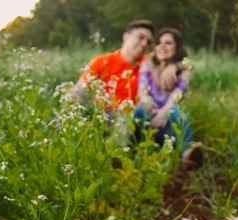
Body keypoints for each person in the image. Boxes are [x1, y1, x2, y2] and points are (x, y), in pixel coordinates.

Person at [134, 28, 202, 164]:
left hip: (168, 121)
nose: (162, 46)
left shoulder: (183, 70)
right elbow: (142, 92)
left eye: (168, 43)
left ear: (177, 48)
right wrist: (150, 107)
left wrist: (163, 113)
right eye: (159, 43)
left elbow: (177, 95)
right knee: (139, 111)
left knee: (178, 114)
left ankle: (187, 154)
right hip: (149, 116)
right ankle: (132, 149)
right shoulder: (148, 64)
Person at [72, 19, 155, 110]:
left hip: (134, 119)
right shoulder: (102, 61)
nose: (144, 44)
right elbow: (78, 93)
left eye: (149, 42)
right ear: (126, 36)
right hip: (104, 117)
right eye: (140, 37)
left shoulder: (150, 65)